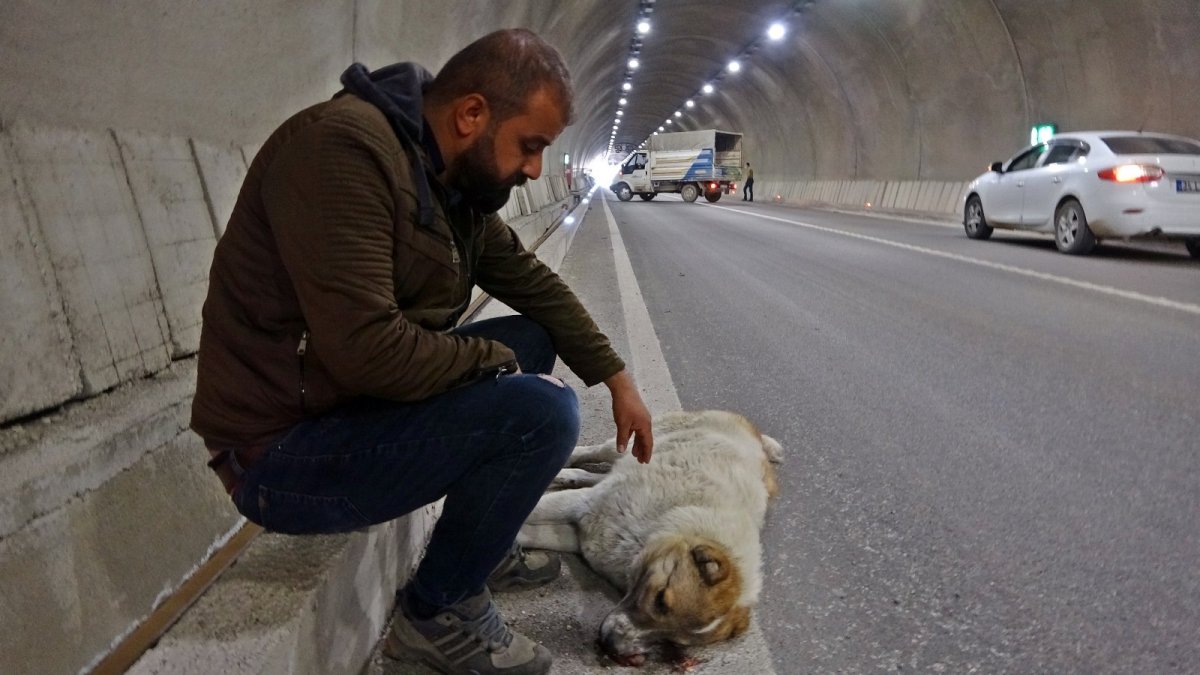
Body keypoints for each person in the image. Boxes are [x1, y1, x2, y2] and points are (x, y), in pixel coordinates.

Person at [191, 28, 654, 675]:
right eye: (531, 145)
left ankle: (478, 543)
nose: (534, 170)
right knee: (538, 413)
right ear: (471, 114)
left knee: (533, 340)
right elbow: (366, 351)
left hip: (344, 404)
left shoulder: (445, 179)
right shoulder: (342, 151)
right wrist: (492, 363)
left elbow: (532, 282)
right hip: (279, 455)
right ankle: (439, 613)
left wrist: (617, 377)